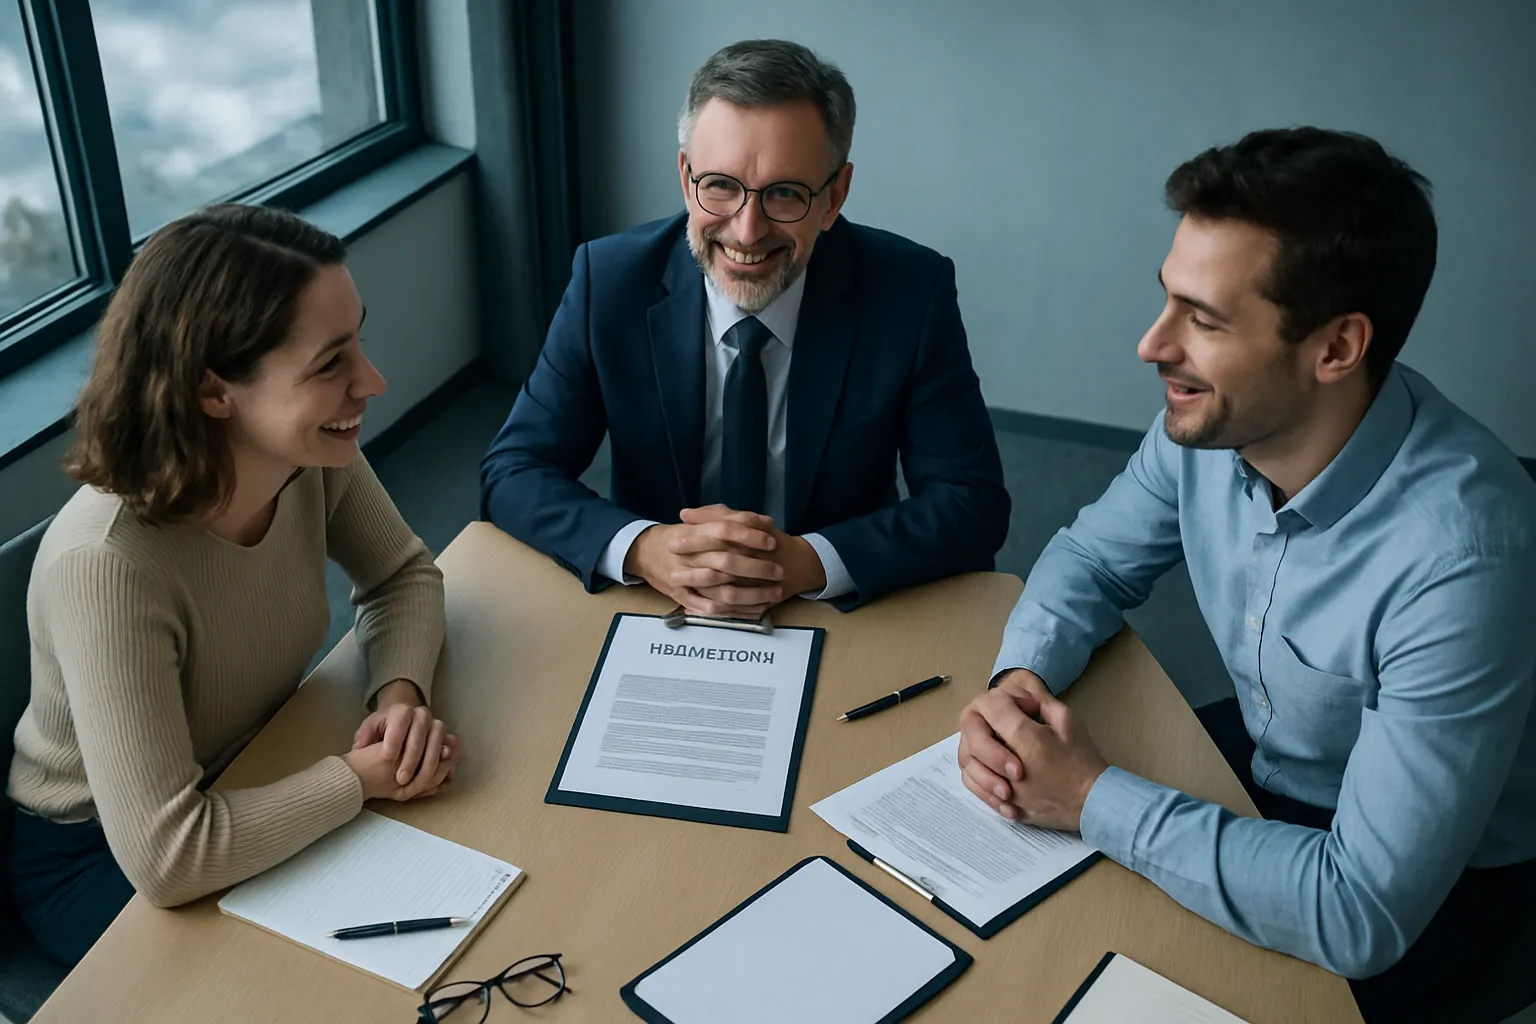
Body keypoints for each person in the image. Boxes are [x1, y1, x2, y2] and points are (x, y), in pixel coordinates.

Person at [958, 128, 1536, 1021]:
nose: (1152, 346)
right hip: (1271, 760)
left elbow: (1362, 911)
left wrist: (1090, 796)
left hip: (1446, 887)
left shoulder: (1463, 558)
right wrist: (1021, 677)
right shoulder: (1215, 420)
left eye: (1205, 320)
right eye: (1167, 301)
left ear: (1336, 348)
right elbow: (1090, 556)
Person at [6, 204, 461, 967]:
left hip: (255, 760)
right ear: (215, 391)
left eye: (358, 343)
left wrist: (400, 696)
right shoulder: (108, 566)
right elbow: (168, 856)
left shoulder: (309, 458)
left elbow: (403, 575)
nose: (372, 381)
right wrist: (355, 779)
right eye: (330, 363)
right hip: (101, 857)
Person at [480, 39, 1009, 615]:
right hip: (657, 601)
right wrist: (642, 547)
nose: (747, 230)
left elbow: (972, 503)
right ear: (686, 179)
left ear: (834, 197)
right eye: (721, 186)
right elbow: (513, 471)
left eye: (785, 193)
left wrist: (810, 561)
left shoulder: (911, 292)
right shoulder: (607, 282)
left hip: (836, 604)